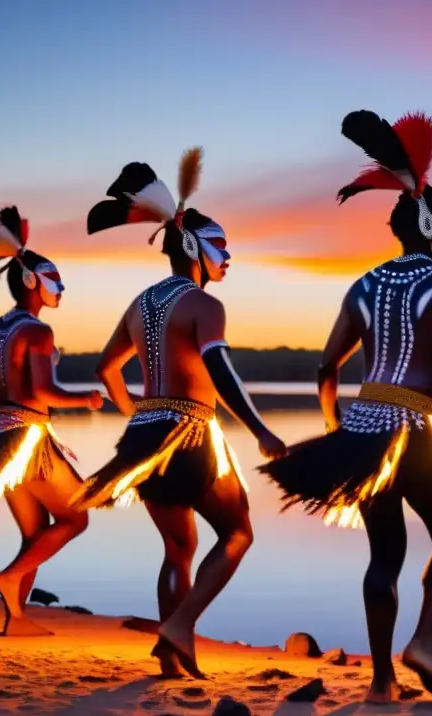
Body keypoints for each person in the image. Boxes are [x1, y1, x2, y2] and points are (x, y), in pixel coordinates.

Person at [260, 110, 432, 704]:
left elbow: (325, 369)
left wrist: (344, 432)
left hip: (366, 431)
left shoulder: (362, 285)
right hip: (418, 429)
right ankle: (425, 645)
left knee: (384, 554)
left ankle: (382, 681)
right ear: (430, 222)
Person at [70, 148, 286, 678]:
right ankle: (179, 626)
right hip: (191, 437)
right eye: (221, 246)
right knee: (237, 535)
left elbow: (105, 369)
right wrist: (259, 429)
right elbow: (220, 370)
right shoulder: (205, 305)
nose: (228, 256)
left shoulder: (140, 303)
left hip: (143, 439)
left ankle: (173, 659)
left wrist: (138, 417)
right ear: (192, 245)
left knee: (178, 548)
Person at [0, 207, 102, 636]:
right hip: (28, 440)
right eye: (55, 279)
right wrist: (84, 398)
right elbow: (45, 393)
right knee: (76, 518)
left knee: (36, 532)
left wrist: (7, 396)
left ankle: (17, 620)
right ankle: (10, 581)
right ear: (31, 281)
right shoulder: (37, 331)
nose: (61, 288)